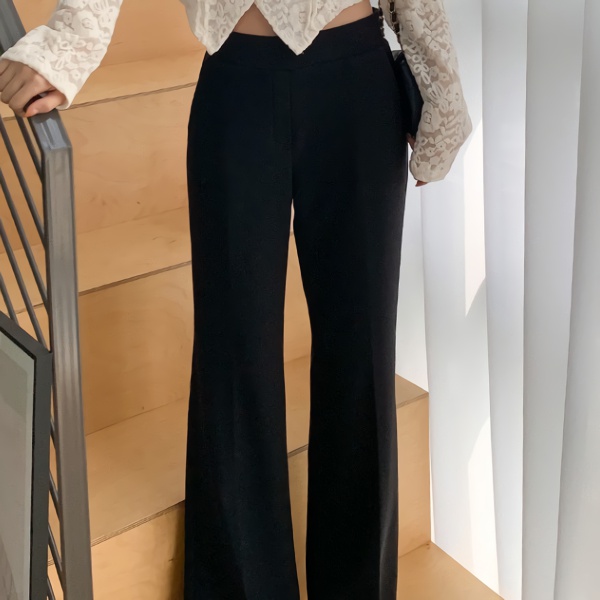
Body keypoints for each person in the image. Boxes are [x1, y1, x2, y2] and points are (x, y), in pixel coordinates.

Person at [0, 0, 472, 598]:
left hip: (359, 80)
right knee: (232, 357)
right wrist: (68, 43)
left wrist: (441, 92)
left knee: (363, 355)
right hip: (236, 79)